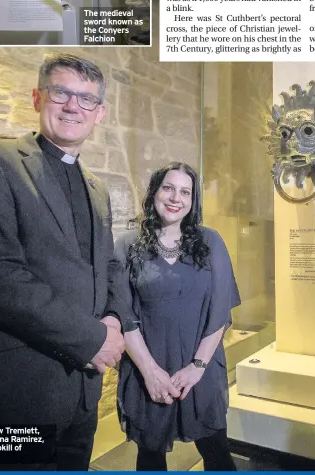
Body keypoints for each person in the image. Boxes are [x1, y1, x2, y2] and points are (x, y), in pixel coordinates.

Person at [0, 53, 126, 470]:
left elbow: (108, 266)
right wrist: (94, 339)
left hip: (80, 392)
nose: (74, 106)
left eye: (86, 99)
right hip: (16, 391)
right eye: (62, 93)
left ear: (100, 113)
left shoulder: (96, 188)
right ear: (38, 97)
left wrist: (113, 318)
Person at [111, 162, 240, 471]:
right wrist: (150, 371)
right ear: (155, 192)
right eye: (168, 188)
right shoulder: (128, 245)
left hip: (201, 368)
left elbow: (220, 310)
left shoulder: (210, 242)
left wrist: (197, 366)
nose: (175, 198)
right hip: (148, 369)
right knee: (151, 455)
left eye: (185, 192)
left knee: (217, 452)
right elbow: (122, 313)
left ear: (193, 201)